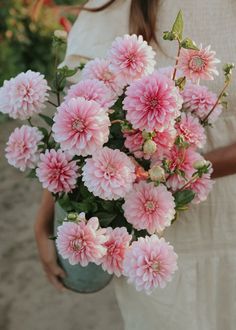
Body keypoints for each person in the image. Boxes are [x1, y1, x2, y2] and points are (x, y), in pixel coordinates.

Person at [35, 0, 236, 329]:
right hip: (155, 249)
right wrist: (46, 217)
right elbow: (76, 125)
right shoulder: (116, 7)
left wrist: (176, 171)